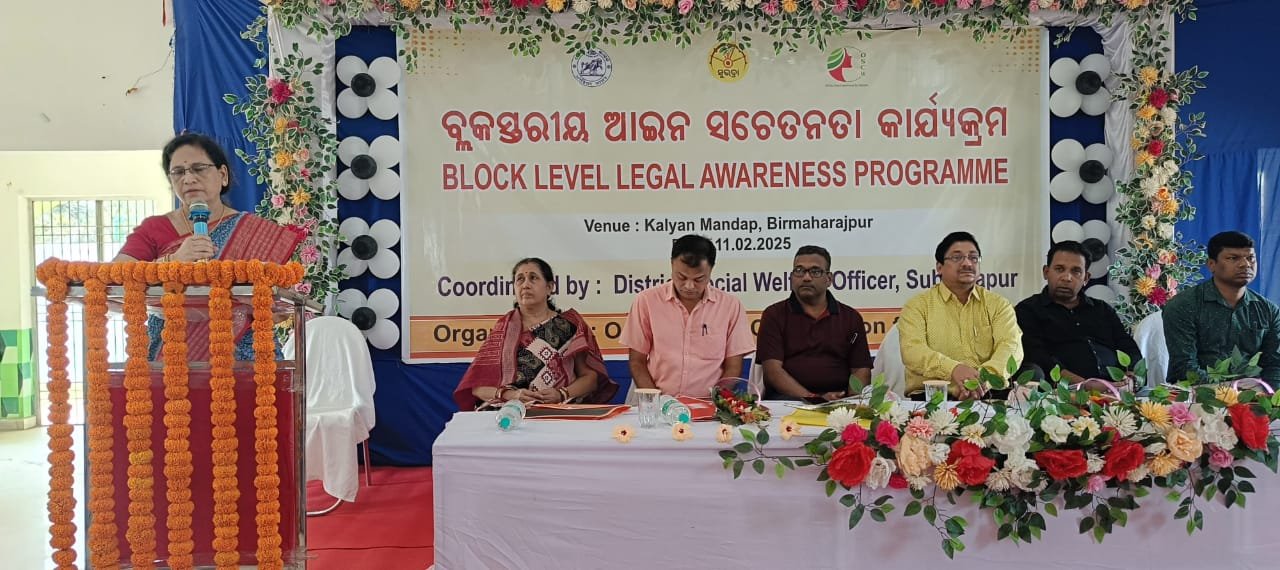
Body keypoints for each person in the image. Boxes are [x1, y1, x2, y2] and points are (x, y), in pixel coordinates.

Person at [114, 133, 304, 360]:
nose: (188, 179)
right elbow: (115, 277)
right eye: (178, 172)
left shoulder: (253, 232)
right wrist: (172, 262)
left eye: (199, 168)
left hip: (245, 354)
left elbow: (279, 300)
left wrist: (272, 309)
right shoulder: (155, 229)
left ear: (222, 175)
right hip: (173, 353)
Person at [454, 258, 618, 410]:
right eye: (520, 279)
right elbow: (478, 388)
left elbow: (590, 379)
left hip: (557, 412)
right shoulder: (503, 330)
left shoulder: (569, 326)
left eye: (533, 278)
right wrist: (512, 395)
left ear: (549, 287)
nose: (525, 285)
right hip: (509, 414)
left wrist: (562, 394)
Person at [621, 234, 755, 398]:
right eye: (681, 277)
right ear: (672, 264)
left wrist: (715, 400)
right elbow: (637, 362)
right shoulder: (647, 301)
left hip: (709, 402)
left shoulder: (730, 306)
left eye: (699, 279)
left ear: (711, 270)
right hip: (657, 400)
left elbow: (733, 366)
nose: (689, 286)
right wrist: (656, 401)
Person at [898, 231, 1023, 399]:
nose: (967, 263)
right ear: (939, 267)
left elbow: (1011, 347)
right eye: (957, 257)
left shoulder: (998, 305)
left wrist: (981, 380)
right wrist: (953, 369)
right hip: (933, 398)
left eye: (973, 258)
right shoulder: (917, 306)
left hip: (989, 394)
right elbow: (912, 351)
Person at [1015, 241, 1141, 384]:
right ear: (1046, 272)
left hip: (1118, 388)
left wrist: (1131, 376)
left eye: (1076, 271)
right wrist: (1084, 385)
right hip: (1064, 392)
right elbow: (1038, 357)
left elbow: (1128, 347)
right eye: (1059, 269)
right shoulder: (1028, 310)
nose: (1067, 277)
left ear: (1086, 278)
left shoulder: (1102, 309)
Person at [756, 245, 873, 401]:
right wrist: (815, 399)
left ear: (829, 279)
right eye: (799, 270)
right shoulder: (774, 315)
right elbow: (773, 372)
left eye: (815, 271)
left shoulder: (850, 317)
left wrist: (852, 401)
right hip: (788, 401)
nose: (806, 277)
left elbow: (860, 369)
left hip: (839, 401)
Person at [1163, 231, 1280, 383]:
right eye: (1233, 258)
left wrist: (1266, 393)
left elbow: (1275, 366)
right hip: (1194, 394)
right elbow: (1184, 368)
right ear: (1211, 265)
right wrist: (1228, 392)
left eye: (1250, 258)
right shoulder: (1184, 305)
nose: (1245, 264)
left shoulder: (1268, 310)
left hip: (1253, 394)